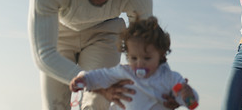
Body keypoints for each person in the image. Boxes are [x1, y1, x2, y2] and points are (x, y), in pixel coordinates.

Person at [28, 0, 176, 110]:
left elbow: (148, 44)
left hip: (105, 33)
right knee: (55, 106)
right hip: (60, 33)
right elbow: (44, 54)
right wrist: (94, 83)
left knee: (98, 104)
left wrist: (166, 87)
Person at [69, 16, 199, 110]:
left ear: (161, 54)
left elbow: (185, 99)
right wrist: (84, 79)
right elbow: (101, 76)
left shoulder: (170, 77)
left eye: (147, 58)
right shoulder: (124, 72)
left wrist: (187, 96)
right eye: (133, 58)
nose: (140, 63)